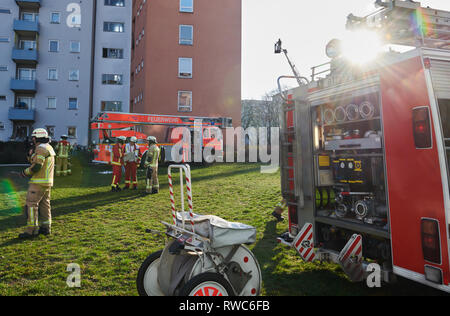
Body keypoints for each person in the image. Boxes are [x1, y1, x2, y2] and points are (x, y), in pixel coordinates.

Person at [17, 128, 56, 238]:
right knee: (45, 205)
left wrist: (25, 173)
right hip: (47, 182)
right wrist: (30, 155)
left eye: (33, 138)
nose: (32, 140)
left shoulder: (40, 148)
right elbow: (37, 161)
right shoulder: (48, 147)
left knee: (31, 205)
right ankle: (46, 228)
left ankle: (31, 231)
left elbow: (37, 166)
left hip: (38, 182)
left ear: (36, 138)